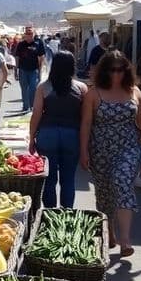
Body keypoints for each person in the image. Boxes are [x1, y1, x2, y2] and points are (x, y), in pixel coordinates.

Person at [80, 51, 141, 258]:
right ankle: (110, 233)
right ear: (104, 72)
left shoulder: (134, 92)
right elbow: (86, 124)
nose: (117, 74)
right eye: (112, 70)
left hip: (128, 148)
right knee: (104, 196)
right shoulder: (94, 94)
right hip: (100, 150)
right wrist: (83, 151)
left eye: (121, 69)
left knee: (122, 183)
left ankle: (125, 240)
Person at [29, 51, 87, 208]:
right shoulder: (81, 88)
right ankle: (67, 213)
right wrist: (85, 146)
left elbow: (36, 114)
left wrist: (31, 138)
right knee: (68, 179)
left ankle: (49, 214)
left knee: (49, 179)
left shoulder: (43, 87)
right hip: (72, 136)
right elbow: (85, 119)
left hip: (47, 135)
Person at [14, 27, 45, 112]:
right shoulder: (20, 44)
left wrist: (40, 70)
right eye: (27, 33)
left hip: (34, 70)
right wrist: (16, 69)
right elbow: (17, 57)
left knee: (33, 88)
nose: (29, 35)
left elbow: (41, 57)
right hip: (23, 69)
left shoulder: (38, 43)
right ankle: (25, 106)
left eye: (30, 33)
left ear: (34, 34)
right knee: (24, 88)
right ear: (25, 35)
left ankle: (32, 105)